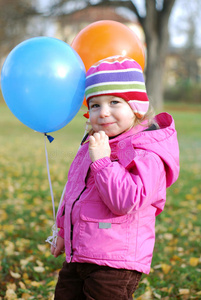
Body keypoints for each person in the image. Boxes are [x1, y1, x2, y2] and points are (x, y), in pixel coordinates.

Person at [51, 55, 180, 300]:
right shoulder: (94, 143)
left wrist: (102, 161)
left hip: (115, 261)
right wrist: (62, 231)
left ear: (136, 107)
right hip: (79, 252)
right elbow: (74, 190)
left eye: (114, 102)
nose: (103, 112)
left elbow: (126, 200)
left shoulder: (147, 150)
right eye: (96, 105)